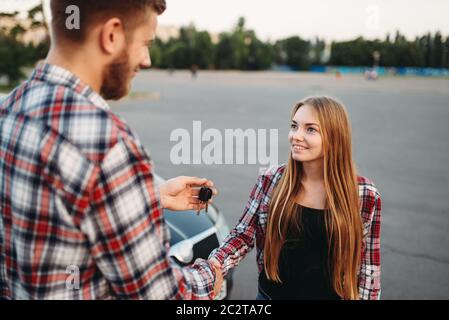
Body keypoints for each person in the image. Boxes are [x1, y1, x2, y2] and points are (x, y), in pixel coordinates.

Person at [0, 0, 222, 299]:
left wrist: (147, 199)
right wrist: (208, 279)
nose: (146, 60)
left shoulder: (10, 108)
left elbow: (46, 216)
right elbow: (157, 293)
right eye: (145, 43)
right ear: (112, 35)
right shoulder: (108, 144)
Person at [207, 96, 382, 300]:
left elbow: (369, 267)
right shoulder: (271, 180)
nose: (296, 136)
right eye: (294, 126)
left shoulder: (364, 194)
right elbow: (242, 235)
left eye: (310, 129)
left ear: (335, 136)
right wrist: (216, 265)